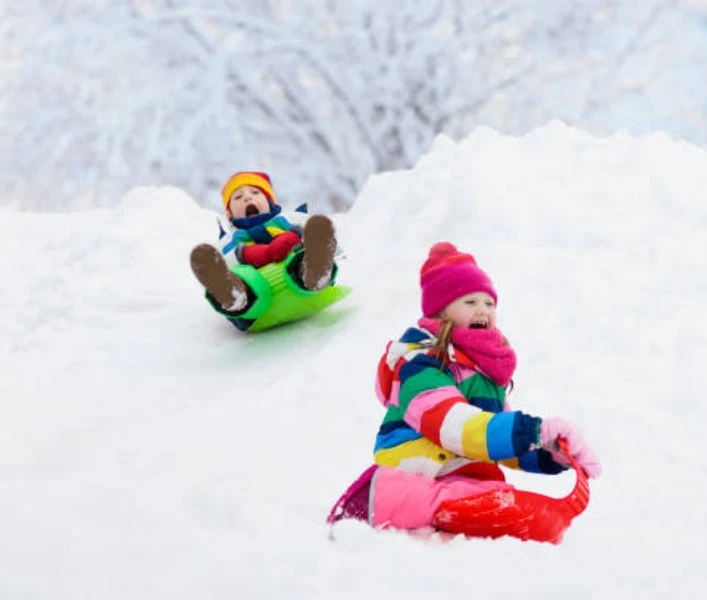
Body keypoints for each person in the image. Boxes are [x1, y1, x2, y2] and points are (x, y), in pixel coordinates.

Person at [327, 241, 601, 535]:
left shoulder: (482, 373)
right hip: (422, 471)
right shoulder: (422, 364)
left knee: (525, 513)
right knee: (497, 507)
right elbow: (452, 423)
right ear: (441, 313)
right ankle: (380, 494)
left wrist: (550, 451)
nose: (483, 310)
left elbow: (497, 441)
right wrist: (532, 429)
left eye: (489, 303)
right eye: (470, 302)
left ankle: (466, 504)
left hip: (462, 476)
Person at [190, 171, 341, 331]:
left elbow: (328, 245)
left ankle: (315, 272)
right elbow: (226, 261)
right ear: (229, 214)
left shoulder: (289, 220)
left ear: (270, 201)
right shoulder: (231, 239)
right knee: (242, 276)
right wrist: (248, 254)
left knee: (301, 255)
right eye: (238, 197)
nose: (248, 198)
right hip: (255, 302)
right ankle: (235, 296)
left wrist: (296, 238)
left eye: (256, 192)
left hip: (300, 278)